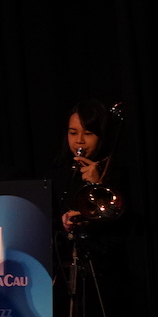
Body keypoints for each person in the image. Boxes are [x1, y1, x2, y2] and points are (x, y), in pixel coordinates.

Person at [57, 99, 128, 233]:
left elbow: (119, 227)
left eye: (88, 134)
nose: (79, 140)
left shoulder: (117, 173)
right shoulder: (59, 172)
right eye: (73, 133)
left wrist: (98, 185)